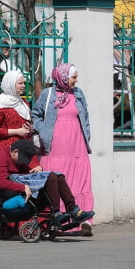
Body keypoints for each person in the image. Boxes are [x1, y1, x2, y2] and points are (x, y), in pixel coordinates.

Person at [31, 63, 94, 236]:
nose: (76, 80)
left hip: (76, 146)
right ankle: (58, 221)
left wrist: (86, 136)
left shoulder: (78, 94)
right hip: (55, 147)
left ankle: (83, 222)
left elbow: (85, 117)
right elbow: (35, 114)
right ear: (63, 77)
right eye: (74, 77)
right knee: (59, 179)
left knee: (80, 181)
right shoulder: (48, 94)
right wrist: (43, 130)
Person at [0, 138, 95, 224]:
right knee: (50, 176)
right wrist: (23, 187)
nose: (21, 162)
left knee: (58, 176)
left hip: (22, 179)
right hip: (14, 183)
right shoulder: (1, 156)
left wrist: (38, 169)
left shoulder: (16, 156)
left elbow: (26, 171)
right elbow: (1, 183)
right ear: (15, 151)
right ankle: (56, 212)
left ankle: (74, 210)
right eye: (21, 159)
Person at [0, 70, 34, 151]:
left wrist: (30, 128)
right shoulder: (0, 105)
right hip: (7, 149)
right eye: (20, 83)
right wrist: (16, 131)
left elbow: (27, 122)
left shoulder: (23, 102)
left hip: (25, 145)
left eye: (24, 83)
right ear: (10, 84)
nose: (24, 86)